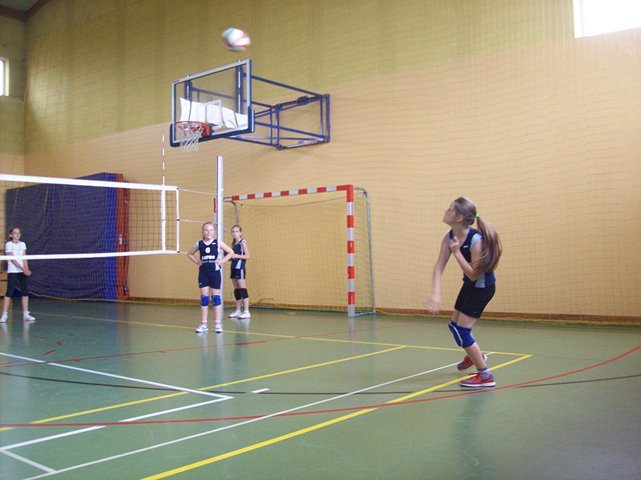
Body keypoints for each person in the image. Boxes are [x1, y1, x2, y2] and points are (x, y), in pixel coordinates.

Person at [427, 198, 502, 388]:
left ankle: (485, 376)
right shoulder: (449, 237)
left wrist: (457, 252)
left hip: (482, 289)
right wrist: (435, 293)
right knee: (454, 327)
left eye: (450, 209)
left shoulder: (476, 240)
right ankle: (475, 355)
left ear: (459, 217)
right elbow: (439, 266)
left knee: (462, 331)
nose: (446, 211)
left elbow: (473, 274)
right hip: (469, 286)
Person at [187, 222, 234, 334]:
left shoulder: (217, 243)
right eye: (206, 230)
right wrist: (197, 261)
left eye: (211, 230)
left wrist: (222, 261)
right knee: (204, 298)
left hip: (215, 273)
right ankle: (204, 324)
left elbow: (230, 252)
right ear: (203, 232)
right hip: (203, 273)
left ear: (214, 231)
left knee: (216, 298)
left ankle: (217, 323)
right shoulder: (199, 244)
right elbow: (190, 253)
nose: (209, 232)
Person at [1, 227, 36, 323]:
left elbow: (24, 258)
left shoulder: (22, 244)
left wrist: (26, 269)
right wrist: (23, 269)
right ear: (11, 235)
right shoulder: (9, 244)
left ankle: (26, 314)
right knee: (9, 292)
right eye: (15, 233)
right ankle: (4, 315)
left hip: (22, 271)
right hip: (13, 271)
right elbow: (12, 259)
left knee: (25, 292)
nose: (17, 234)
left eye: (19, 233)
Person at [228, 224, 251, 319]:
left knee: (242, 289)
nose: (235, 233)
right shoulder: (234, 243)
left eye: (237, 231)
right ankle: (238, 310)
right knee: (237, 290)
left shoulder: (243, 242)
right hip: (233, 267)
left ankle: (246, 311)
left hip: (240, 268)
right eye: (233, 231)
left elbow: (247, 256)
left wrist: (236, 256)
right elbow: (233, 256)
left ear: (240, 232)